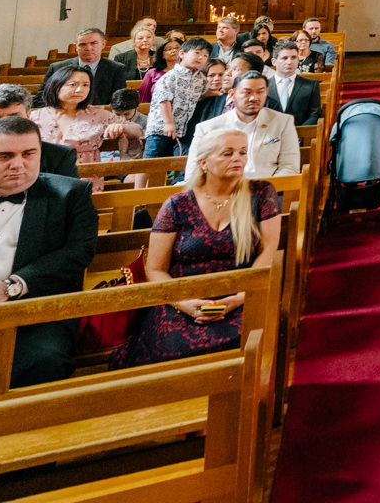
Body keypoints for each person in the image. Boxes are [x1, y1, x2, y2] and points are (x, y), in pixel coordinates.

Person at [0, 117, 98, 393]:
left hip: (31, 315)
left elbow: (77, 252)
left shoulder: (71, 195)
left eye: (29, 154)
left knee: (47, 363)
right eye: (5, 155)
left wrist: (9, 287)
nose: (18, 164)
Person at [115, 127, 282, 367]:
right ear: (204, 162)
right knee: (174, 348)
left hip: (242, 291)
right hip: (183, 294)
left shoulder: (261, 192)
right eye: (227, 153)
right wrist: (184, 303)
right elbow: (155, 269)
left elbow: (268, 251)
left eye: (243, 152)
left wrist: (239, 298)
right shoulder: (178, 204)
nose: (238, 159)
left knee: (249, 342)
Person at [31, 65, 141, 183]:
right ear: (56, 85)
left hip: (86, 179)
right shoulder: (35, 117)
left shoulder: (97, 114)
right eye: (73, 84)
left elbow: (138, 130)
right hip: (46, 178)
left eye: (85, 85)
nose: (79, 90)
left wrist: (122, 127)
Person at [197, 71, 301, 177]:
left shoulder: (283, 122)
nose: (254, 98)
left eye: (260, 92)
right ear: (232, 95)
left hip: (268, 188)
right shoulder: (208, 128)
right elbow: (195, 171)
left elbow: (290, 166)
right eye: (247, 92)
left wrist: (266, 190)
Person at [144, 38, 213, 159]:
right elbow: (164, 101)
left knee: (175, 161)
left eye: (205, 55)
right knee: (150, 161)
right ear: (182, 54)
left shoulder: (200, 78)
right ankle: (140, 179)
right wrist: (168, 123)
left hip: (182, 129)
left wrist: (216, 93)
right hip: (160, 128)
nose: (201, 57)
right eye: (197, 53)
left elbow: (202, 94)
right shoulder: (171, 76)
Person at [48, 27, 127, 111]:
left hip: (100, 117)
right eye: (82, 44)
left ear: (103, 44)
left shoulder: (116, 69)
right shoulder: (57, 68)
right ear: (75, 46)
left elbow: (119, 100)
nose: (88, 48)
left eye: (93, 43)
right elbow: (43, 97)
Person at [263, 40, 324, 127]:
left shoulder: (311, 85)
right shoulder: (264, 86)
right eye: (284, 58)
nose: (289, 62)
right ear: (274, 61)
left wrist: (297, 133)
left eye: (293, 58)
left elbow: (314, 114)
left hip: (300, 136)